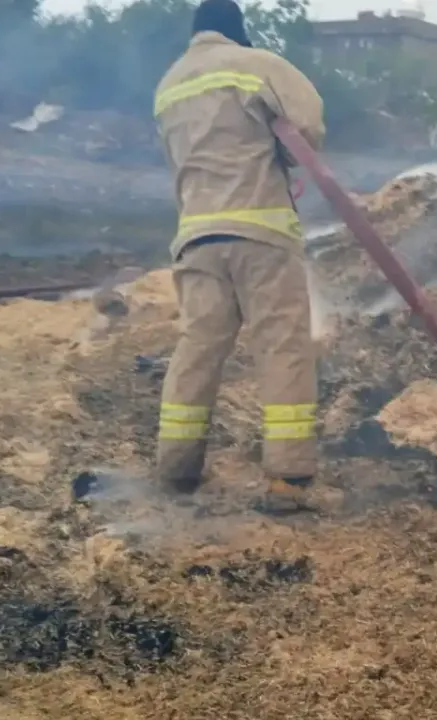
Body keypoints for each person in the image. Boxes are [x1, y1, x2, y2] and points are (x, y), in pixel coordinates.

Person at [152, 0, 325, 503]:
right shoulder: (256, 65)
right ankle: (287, 477)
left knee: (198, 347)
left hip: (196, 237)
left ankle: (177, 468)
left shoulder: (168, 85)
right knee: (282, 345)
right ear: (237, 31)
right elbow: (308, 129)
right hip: (260, 231)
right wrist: (282, 154)